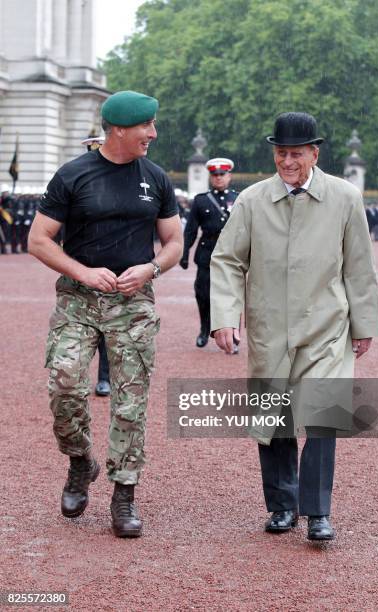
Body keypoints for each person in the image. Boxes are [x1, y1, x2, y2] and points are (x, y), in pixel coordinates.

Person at [210, 112, 378, 541]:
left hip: (327, 327)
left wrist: (363, 325)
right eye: (281, 153)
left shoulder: (344, 198)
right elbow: (228, 260)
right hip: (271, 328)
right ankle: (282, 505)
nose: (288, 162)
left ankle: (318, 511)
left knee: (323, 418)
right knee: (274, 419)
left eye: (297, 154)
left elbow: (359, 266)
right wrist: (225, 317)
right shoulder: (251, 200)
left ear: (314, 153)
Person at [28, 90, 183, 538]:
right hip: (78, 300)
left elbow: (174, 241)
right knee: (64, 385)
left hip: (133, 303)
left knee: (130, 403)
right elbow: (39, 239)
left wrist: (151, 268)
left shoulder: (155, 178)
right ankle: (81, 461)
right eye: (145, 127)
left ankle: (124, 495)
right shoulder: (73, 175)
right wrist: (84, 272)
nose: (152, 134)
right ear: (118, 129)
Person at [180, 158, 238, 348]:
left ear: (229, 176)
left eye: (222, 175)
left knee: (232, 297)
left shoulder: (238, 199)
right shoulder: (201, 200)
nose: (218, 178)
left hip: (231, 255)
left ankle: (233, 335)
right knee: (203, 295)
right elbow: (190, 230)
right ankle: (205, 329)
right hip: (207, 254)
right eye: (215, 175)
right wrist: (184, 254)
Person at [81, 134, 111, 397]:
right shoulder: (76, 184)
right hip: (83, 269)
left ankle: (104, 377)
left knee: (107, 332)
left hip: (113, 270)